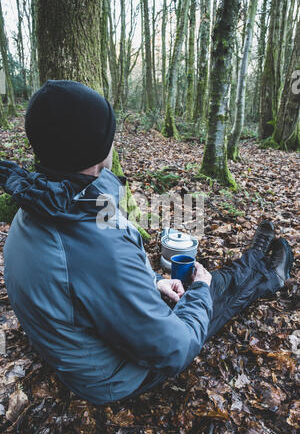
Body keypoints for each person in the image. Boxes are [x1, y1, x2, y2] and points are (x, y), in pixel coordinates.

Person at [0, 81, 293, 405]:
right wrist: (198, 291)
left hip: (82, 346)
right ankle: (267, 275)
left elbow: (83, 281)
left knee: (197, 287)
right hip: (114, 377)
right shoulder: (95, 242)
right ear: (98, 149)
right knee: (212, 291)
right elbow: (174, 349)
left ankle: (254, 264)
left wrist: (154, 282)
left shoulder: (40, 205)